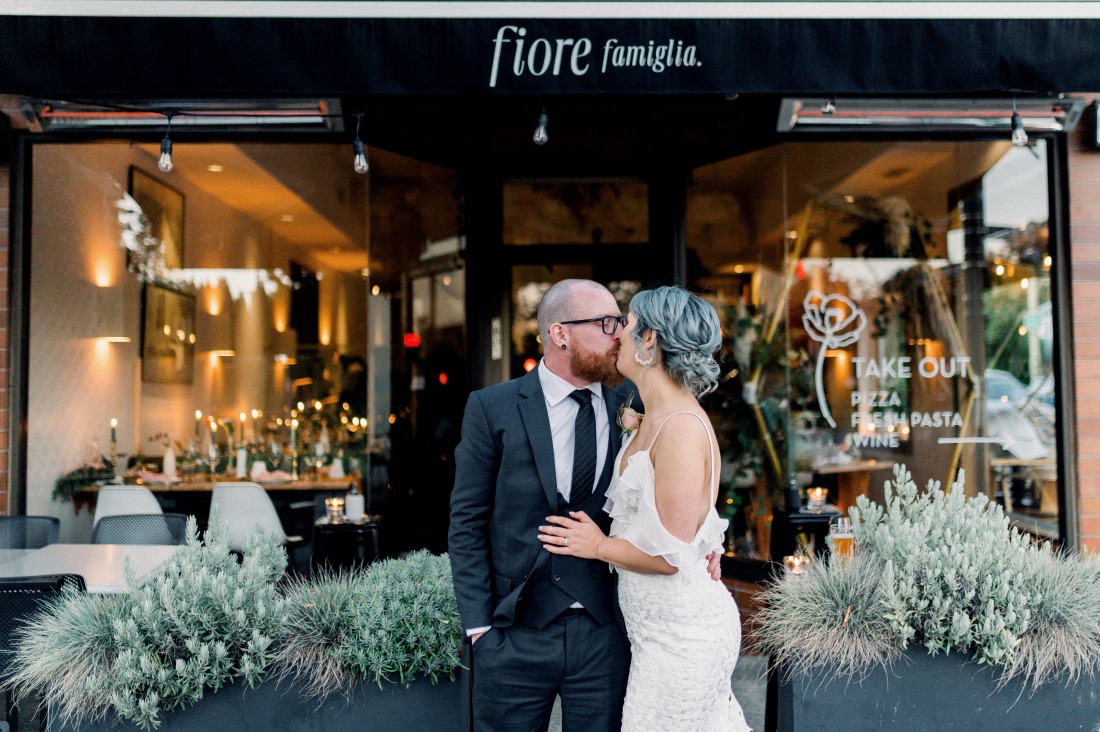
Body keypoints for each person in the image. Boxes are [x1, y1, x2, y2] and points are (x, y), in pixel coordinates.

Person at [539, 285, 751, 731]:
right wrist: (708, 541)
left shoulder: (679, 427)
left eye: (626, 323)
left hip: (682, 638)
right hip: (655, 634)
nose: (616, 334)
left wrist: (596, 545)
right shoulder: (649, 413)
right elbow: (690, 516)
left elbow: (671, 557)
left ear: (650, 339)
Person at [449, 278, 634, 731]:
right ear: (560, 333)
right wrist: (479, 630)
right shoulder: (493, 407)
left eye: (621, 322)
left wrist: (699, 544)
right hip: (513, 635)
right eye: (607, 322)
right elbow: (466, 522)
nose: (619, 334)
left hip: (604, 635)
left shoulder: (631, 403)